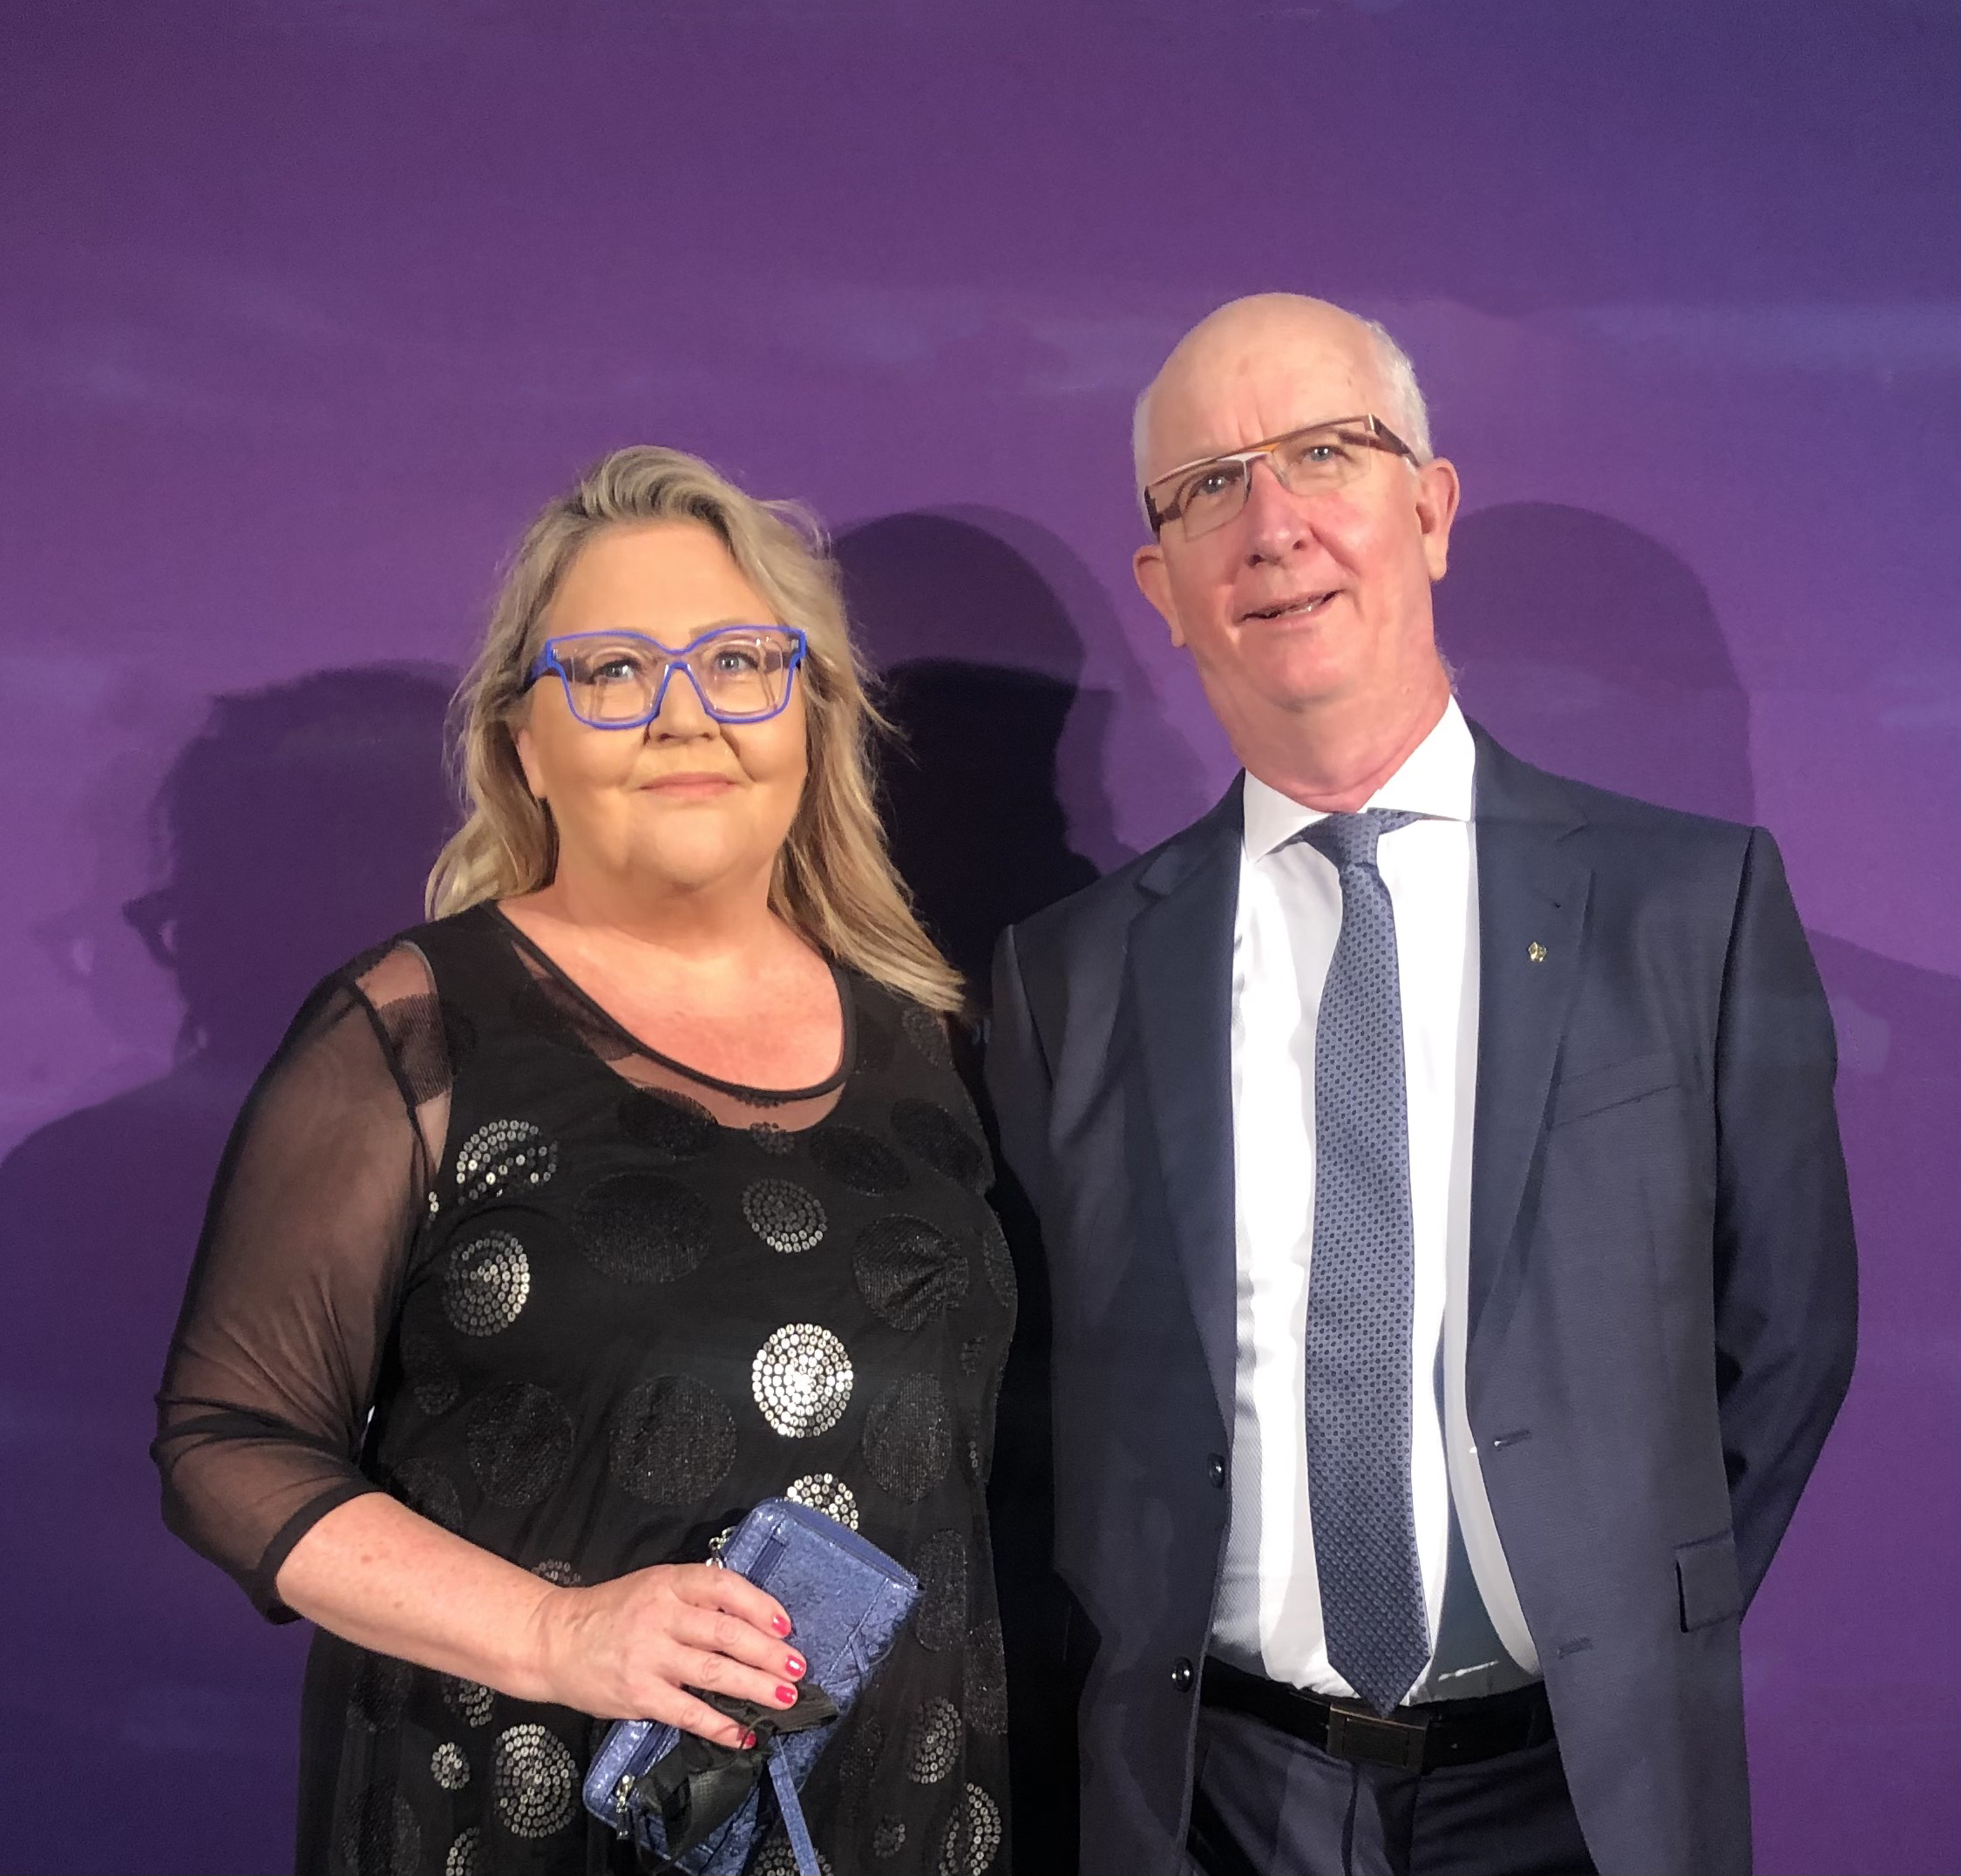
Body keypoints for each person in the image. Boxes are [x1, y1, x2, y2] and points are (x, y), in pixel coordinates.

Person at [983, 295, 1856, 1876]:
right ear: (1161, 586)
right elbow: (1045, 1417)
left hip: (1585, 1799)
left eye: (1326, 451)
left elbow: (1787, 1334)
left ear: (1431, 508)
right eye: (1207, 487)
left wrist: (1622, 1621)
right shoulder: (1066, 978)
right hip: (1209, 1802)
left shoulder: (1691, 906)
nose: (1274, 522)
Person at [154, 448, 1014, 1876]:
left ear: (811, 715)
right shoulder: (420, 1028)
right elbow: (226, 1446)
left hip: (896, 1821)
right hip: (515, 1820)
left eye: (740, 659)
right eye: (612, 672)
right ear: (522, 741)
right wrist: (563, 1635)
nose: (686, 715)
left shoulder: (932, 1040)